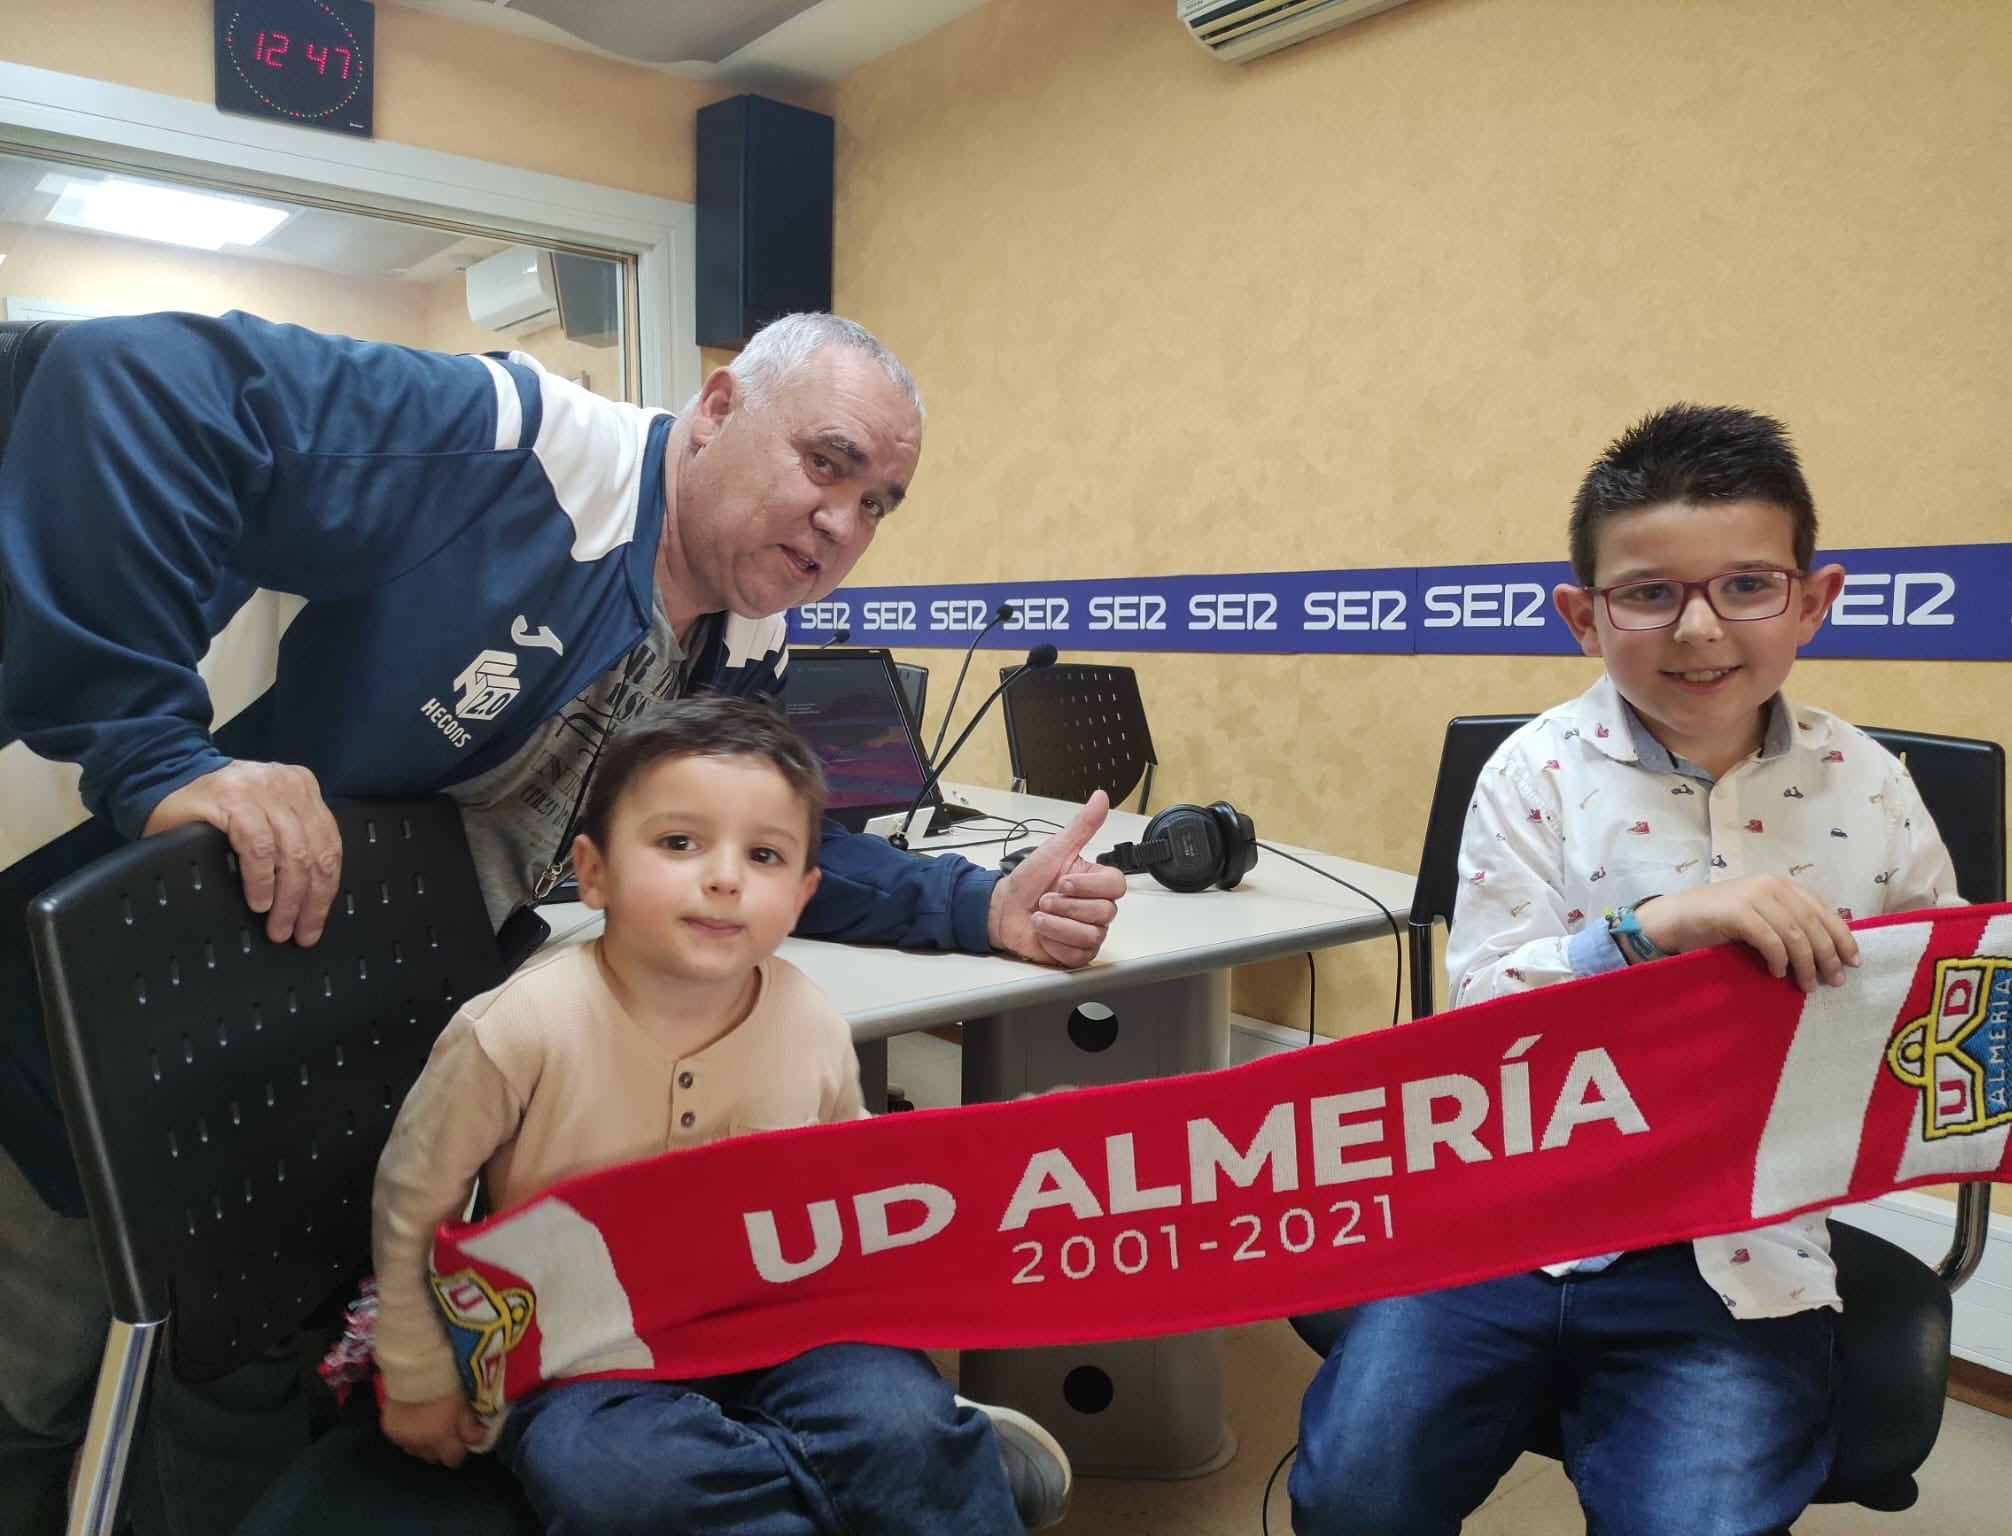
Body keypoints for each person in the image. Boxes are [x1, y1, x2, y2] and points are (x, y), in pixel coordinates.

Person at [0, 309, 1123, 1535]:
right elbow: (130, 380)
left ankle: (885, 1466)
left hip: (327, 1023)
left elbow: (749, 834)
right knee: (47, 1386)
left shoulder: (735, 634)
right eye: (827, 464)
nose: (843, 524)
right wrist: (150, 749)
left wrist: (979, 903)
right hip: (108, 1015)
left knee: (237, 1380)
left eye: (880, 503)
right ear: (716, 408)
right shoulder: (519, 450)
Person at [1289, 403, 1964, 1536]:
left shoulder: (1871, 787)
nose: (1698, 629)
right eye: (1649, 593)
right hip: (1500, 1212)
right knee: (1355, 1493)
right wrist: (1650, 929)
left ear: (1813, 598)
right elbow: (1479, 1010)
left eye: (1746, 585)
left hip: (1740, 1242)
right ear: (1581, 616)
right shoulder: (1532, 773)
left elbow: (1934, 1012)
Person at [371, 696, 1068, 1531]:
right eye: (678, 843)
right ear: (592, 872)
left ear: (804, 892)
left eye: (765, 855)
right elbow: (415, 1198)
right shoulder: (515, 1029)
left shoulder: (809, 1017)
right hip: (584, 1348)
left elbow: (857, 1199)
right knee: (619, 1481)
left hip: (784, 1320)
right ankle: (915, 1473)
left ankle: (918, 1459)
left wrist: (996, 1164)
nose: (726, 876)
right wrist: (415, 1371)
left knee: (902, 1417)